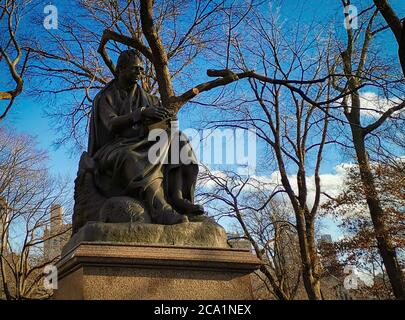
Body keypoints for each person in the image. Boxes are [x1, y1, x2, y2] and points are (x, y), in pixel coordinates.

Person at [88, 49, 204, 225]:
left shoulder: (149, 99)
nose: (139, 73)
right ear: (120, 70)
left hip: (145, 140)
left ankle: (177, 196)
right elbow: (111, 124)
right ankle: (160, 209)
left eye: (141, 69)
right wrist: (140, 114)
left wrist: (168, 119)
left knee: (179, 139)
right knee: (132, 157)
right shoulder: (106, 97)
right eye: (134, 69)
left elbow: (162, 125)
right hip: (114, 148)